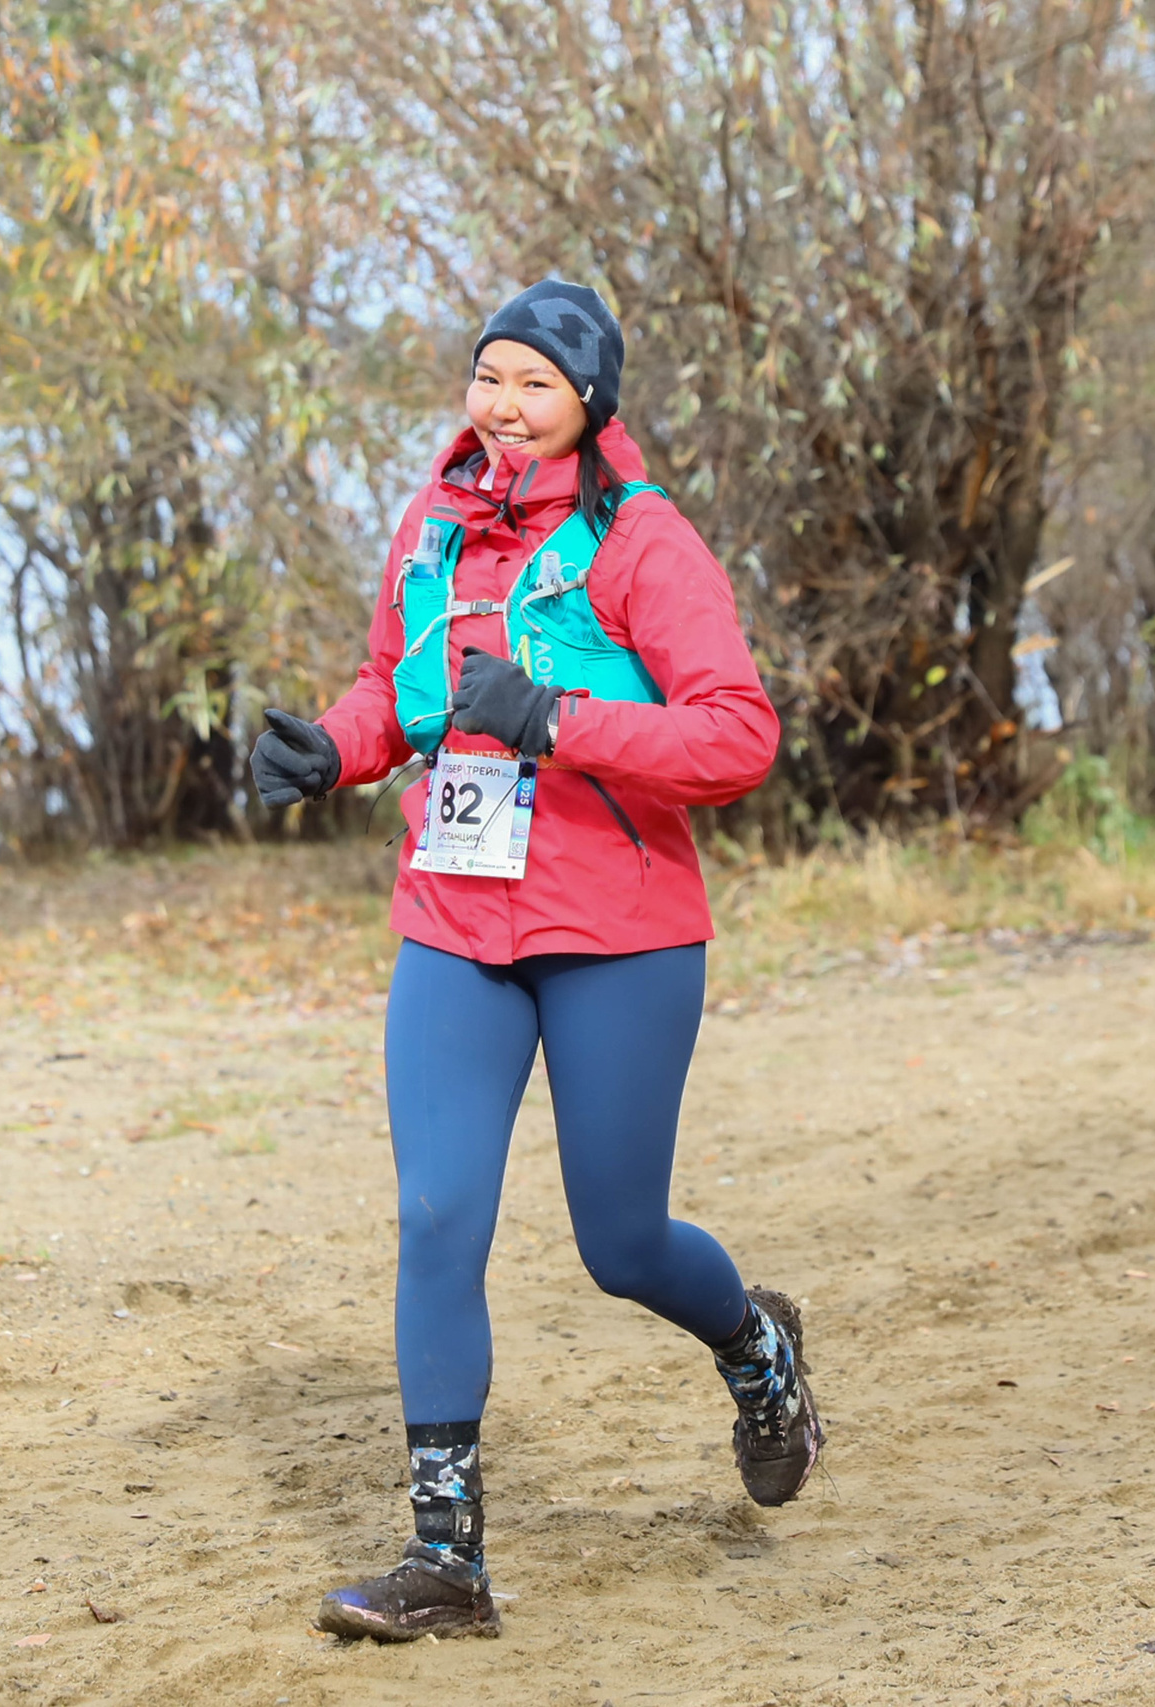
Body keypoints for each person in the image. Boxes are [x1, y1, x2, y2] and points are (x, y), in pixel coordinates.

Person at [249, 280, 825, 1643]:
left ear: (587, 405)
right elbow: (398, 688)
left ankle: (758, 1350)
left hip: (618, 928)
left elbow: (739, 738)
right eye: (488, 378)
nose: (504, 408)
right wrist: (330, 749)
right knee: (437, 1218)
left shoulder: (644, 544)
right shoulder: (435, 521)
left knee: (619, 1244)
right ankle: (446, 1561)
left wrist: (563, 721)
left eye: (536, 387)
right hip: (454, 918)